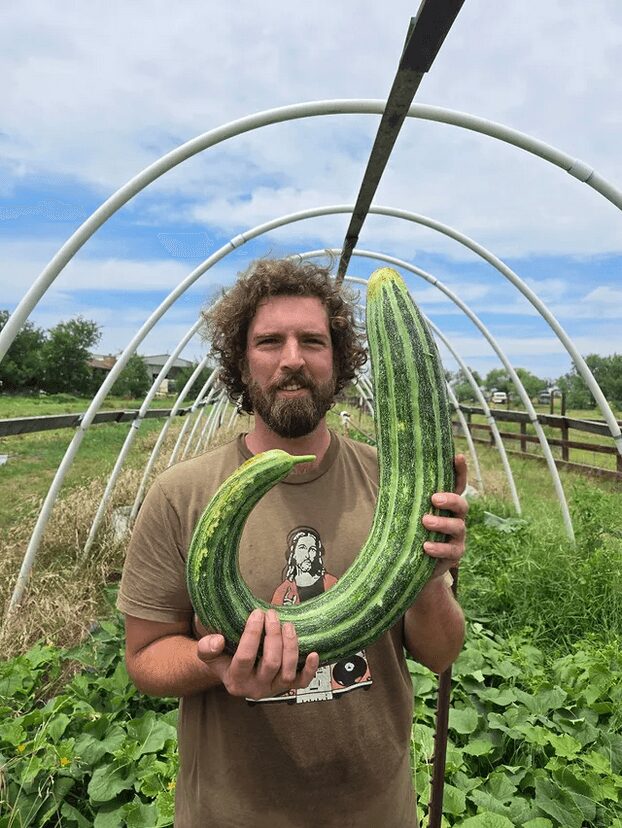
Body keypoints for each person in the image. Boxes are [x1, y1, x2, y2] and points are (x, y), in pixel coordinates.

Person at [117, 257, 468, 827]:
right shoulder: (182, 494)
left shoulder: (397, 487)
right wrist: (219, 667)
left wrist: (427, 577)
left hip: (376, 813)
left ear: (340, 359)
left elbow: (442, 653)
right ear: (240, 361)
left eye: (312, 341)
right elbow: (144, 659)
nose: (292, 359)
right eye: (269, 341)